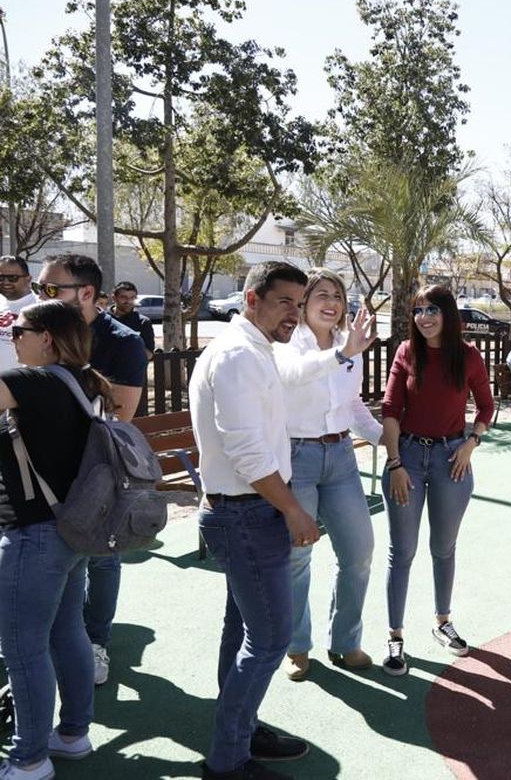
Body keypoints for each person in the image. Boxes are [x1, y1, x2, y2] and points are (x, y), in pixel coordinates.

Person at [189, 261, 321, 779]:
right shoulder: (239, 355)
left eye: (299, 301)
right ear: (251, 299)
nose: (296, 312)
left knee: (242, 627)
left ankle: (240, 731)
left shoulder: (255, 349)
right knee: (268, 639)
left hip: (243, 511)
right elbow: (246, 451)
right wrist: (292, 508)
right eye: (285, 301)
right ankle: (228, 760)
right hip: (245, 513)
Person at [0, 301, 111, 779]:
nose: (13, 338)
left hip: (35, 535)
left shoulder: (36, 383)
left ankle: (29, 758)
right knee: (68, 633)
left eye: (18, 330)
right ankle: (71, 734)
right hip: (70, 530)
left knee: (24, 648)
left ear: (46, 338)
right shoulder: (79, 382)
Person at [35, 255, 147, 688]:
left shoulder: (121, 341)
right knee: (57, 561)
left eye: (50, 289)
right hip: (43, 473)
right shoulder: (41, 332)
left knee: (101, 559)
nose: (40, 297)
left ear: (85, 293)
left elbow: (121, 417)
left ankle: (94, 641)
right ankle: (63, 642)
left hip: (98, 472)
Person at [379, 285, 495, 677]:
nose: (424, 317)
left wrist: (470, 444)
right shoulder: (406, 353)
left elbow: (486, 405)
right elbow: (391, 410)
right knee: (403, 551)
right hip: (407, 458)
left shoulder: (468, 357)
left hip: (452, 461)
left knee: (443, 548)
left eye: (432, 309)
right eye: (418, 310)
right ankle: (395, 635)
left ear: (448, 313)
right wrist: (395, 464)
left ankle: (442, 621)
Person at [273, 269, 380, 682]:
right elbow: (295, 375)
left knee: (358, 551)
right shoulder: (287, 343)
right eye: (321, 294)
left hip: (340, 456)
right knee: (298, 555)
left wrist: (383, 439)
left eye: (336, 294)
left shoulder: (347, 345)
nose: (330, 301)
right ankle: (297, 646)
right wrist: (342, 353)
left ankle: (346, 640)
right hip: (297, 455)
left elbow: (352, 406)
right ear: (303, 302)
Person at [0, 256, 38, 373]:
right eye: (1, 278)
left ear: (28, 279)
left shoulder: (40, 307)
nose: (6, 282)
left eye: (13, 278)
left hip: (21, 385)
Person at [110, 281, 157, 358]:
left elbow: (149, 355)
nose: (128, 301)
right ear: (114, 298)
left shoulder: (143, 322)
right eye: (123, 297)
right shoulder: (103, 319)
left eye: (132, 298)